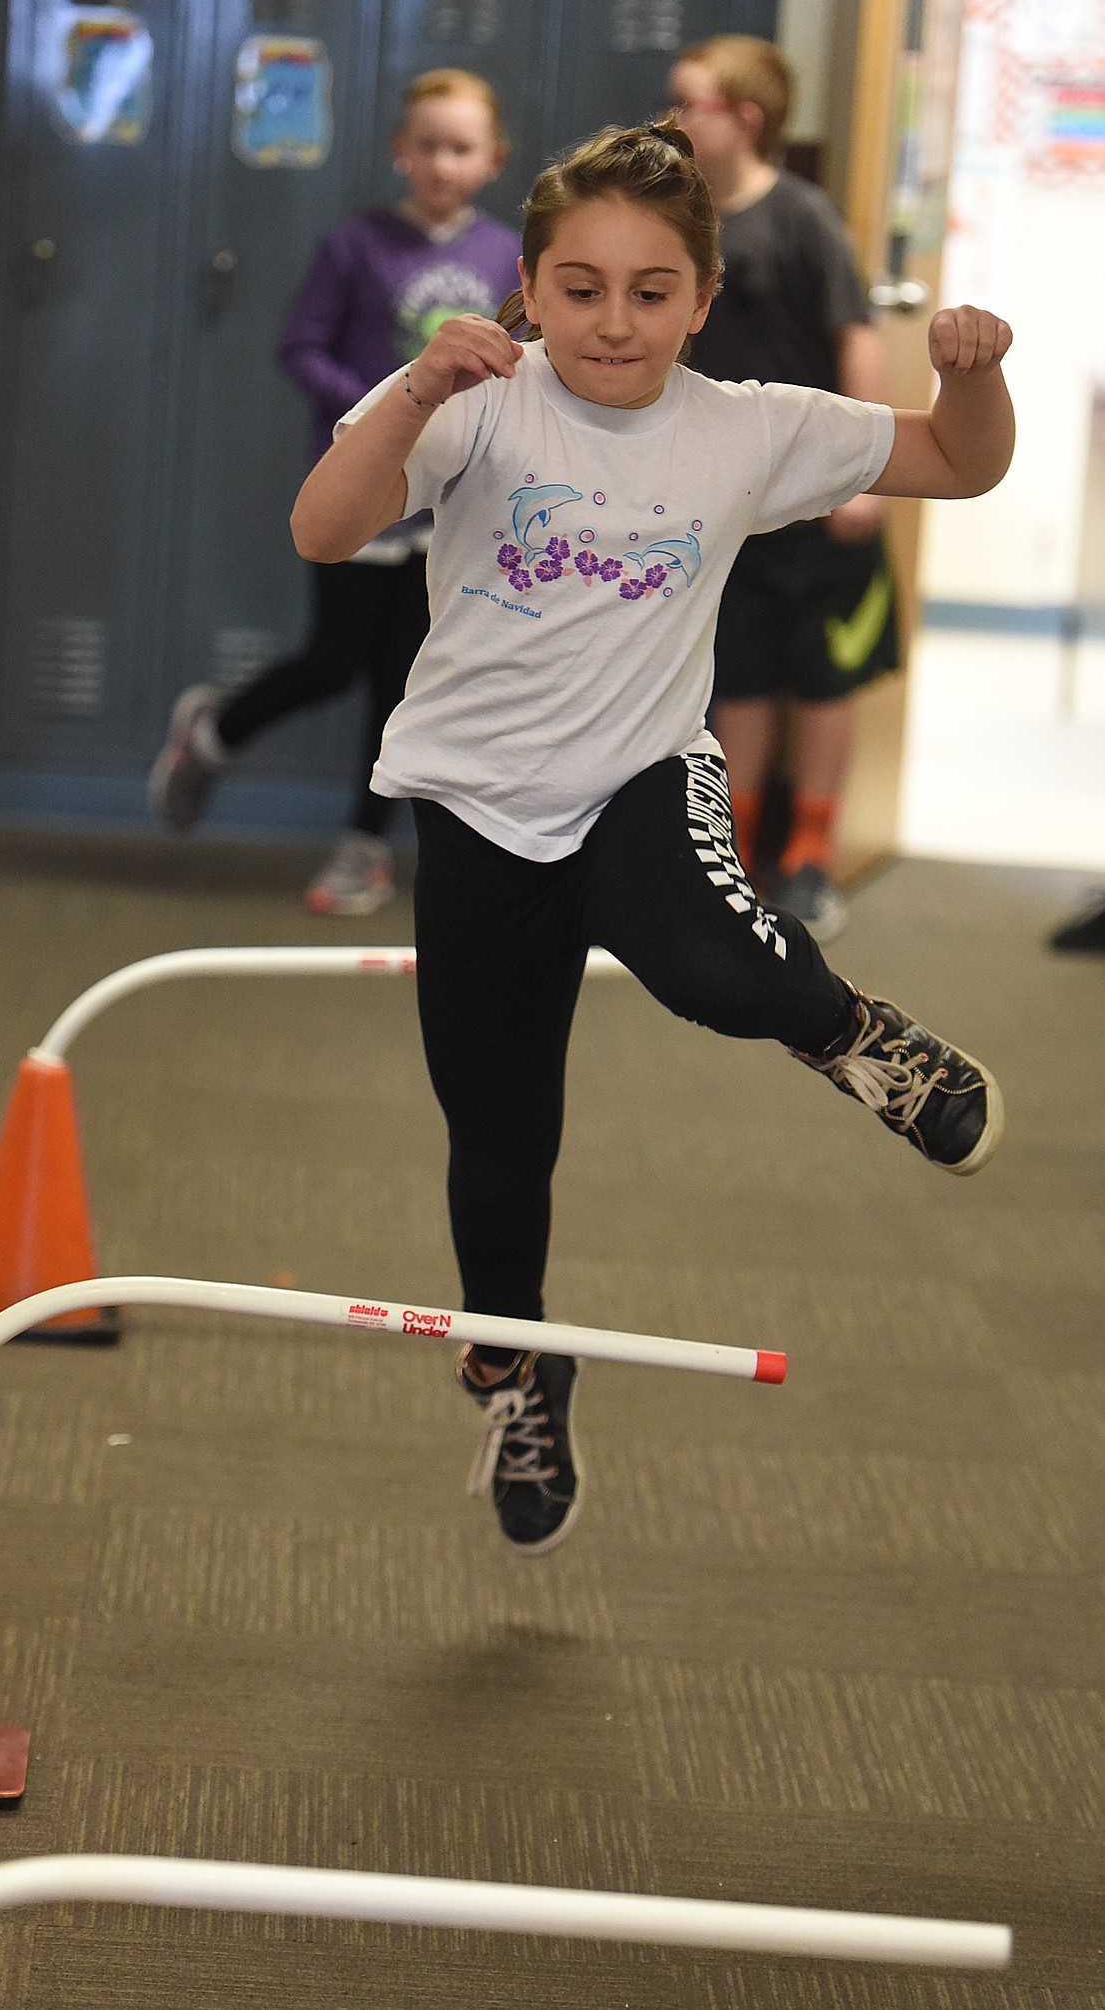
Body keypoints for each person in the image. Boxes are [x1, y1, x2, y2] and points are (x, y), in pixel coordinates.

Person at [288, 121, 1014, 1556]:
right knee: (497, 1142)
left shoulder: (747, 426)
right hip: (478, 802)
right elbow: (323, 528)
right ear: (527, 286)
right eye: (578, 287)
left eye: (646, 290)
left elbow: (956, 463)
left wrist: (970, 378)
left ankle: (861, 1037)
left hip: (640, 767)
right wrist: (416, 388)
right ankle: (515, 1361)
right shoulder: (472, 398)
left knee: (711, 964)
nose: (610, 321)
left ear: (699, 296)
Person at [148, 70, 521, 915]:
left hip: (448, 504)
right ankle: (212, 733)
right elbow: (300, 345)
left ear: (491, 159)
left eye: (459, 148)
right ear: (400, 152)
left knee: (404, 682)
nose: (441, 162)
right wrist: (380, 400)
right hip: (364, 493)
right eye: (425, 145)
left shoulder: (504, 255)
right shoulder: (355, 245)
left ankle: (363, 846)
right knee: (333, 662)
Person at [669, 36, 896, 943]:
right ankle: (744, 855)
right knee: (743, 681)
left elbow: (859, 339)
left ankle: (809, 858)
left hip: (821, 506)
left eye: (690, 103)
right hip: (736, 506)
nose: (673, 119)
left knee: (820, 679)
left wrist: (864, 477)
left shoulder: (800, 216)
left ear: (745, 120)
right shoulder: (684, 221)